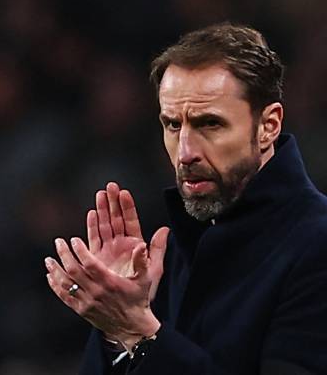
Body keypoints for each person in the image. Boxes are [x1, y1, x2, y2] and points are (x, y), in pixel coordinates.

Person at [45, 23, 327, 374]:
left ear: (268, 126)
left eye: (210, 124)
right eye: (173, 125)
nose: (185, 152)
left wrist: (142, 334)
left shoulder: (316, 245)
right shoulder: (173, 246)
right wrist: (114, 328)